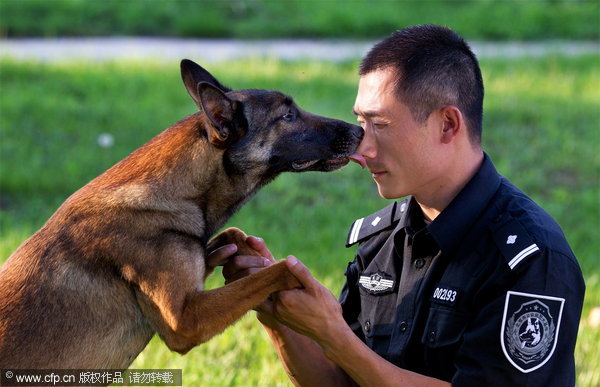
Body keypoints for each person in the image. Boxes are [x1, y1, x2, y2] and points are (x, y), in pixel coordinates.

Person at [207, 25, 585, 386]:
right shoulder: (381, 243)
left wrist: (336, 336)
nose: (361, 148)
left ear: (447, 126)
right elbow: (341, 381)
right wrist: (280, 312)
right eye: (360, 122)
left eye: (380, 126)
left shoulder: (531, 262)